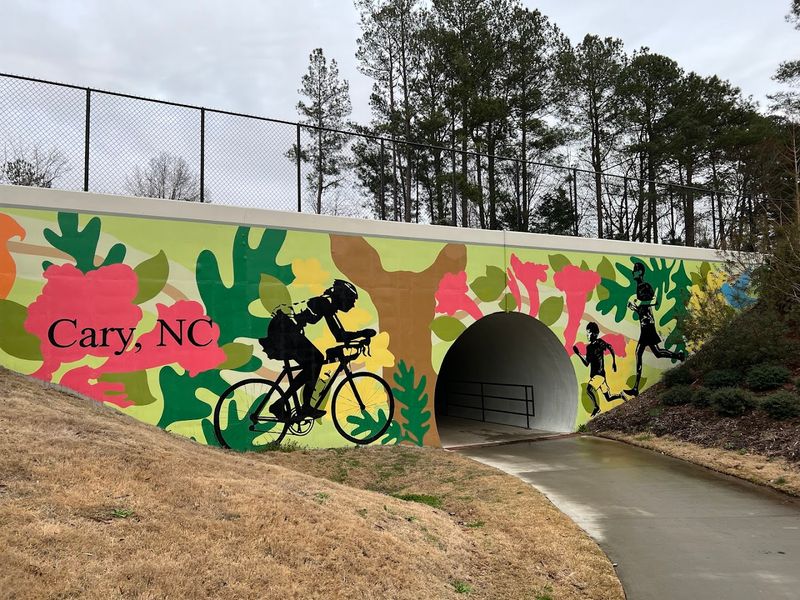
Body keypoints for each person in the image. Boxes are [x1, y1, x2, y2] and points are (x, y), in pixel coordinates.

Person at [258, 279, 375, 420]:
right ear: (341, 296)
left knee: (313, 362)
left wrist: (357, 338)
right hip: (284, 331)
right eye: (351, 300)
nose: (353, 305)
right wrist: (363, 333)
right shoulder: (325, 303)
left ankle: (291, 404)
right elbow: (339, 335)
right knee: (316, 359)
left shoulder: (325, 303)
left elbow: (339, 334)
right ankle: (294, 405)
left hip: (285, 330)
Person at [625, 261, 685, 396]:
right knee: (657, 353)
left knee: (638, 353)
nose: (633, 272)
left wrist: (640, 303)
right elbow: (643, 309)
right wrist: (635, 308)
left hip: (648, 324)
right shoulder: (639, 286)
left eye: (635, 270)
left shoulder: (645, 285)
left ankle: (635, 388)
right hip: (645, 323)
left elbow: (654, 301)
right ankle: (678, 355)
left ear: (640, 272)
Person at [573, 322, 625, 417]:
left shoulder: (600, 342)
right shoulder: (588, 347)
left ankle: (596, 408)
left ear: (594, 333)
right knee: (608, 398)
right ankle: (620, 395)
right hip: (595, 375)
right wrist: (579, 354)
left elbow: (610, 347)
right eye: (587, 332)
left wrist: (614, 362)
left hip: (599, 374)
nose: (587, 334)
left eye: (589, 332)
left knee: (588, 389)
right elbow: (586, 363)